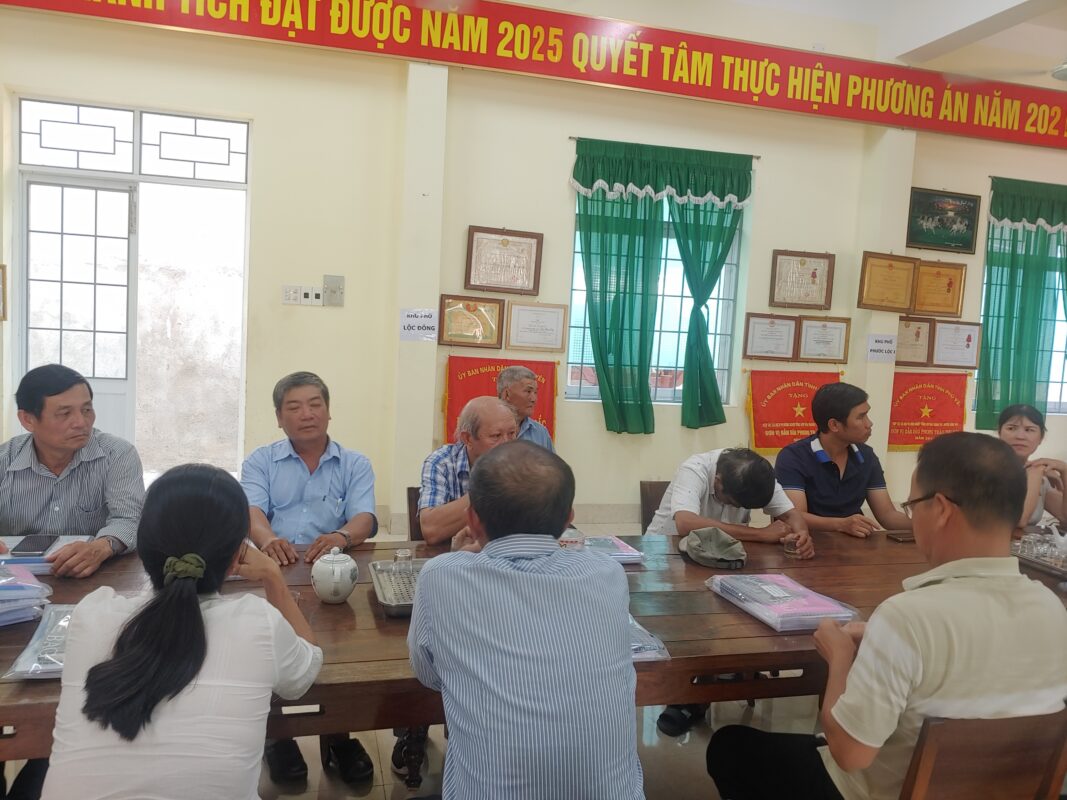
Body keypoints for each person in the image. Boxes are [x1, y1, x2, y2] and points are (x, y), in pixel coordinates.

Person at [707, 432, 1067, 800]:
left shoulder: (908, 617)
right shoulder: (1052, 608)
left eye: (912, 505)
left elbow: (850, 754)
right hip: (1003, 790)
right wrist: (883, 637)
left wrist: (840, 657)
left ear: (941, 509)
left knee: (730, 747)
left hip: (882, 791)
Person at [40, 464, 322, 800]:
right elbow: (305, 670)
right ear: (237, 555)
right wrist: (273, 576)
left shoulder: (91, 615)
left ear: (143, 549)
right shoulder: (257, 622)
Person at [408, 440, 645, 800]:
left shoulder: (441, 575)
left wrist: (461, 560)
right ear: (568, 519)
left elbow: (429, 675)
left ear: (472, 519)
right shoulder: (607, 572)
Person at [240, 371, 377, 784]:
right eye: (295, 407)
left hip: (332, 569)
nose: (307, 414)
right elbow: (251, 512)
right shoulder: (260, 460)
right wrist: (268, 540)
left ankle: (338, 735)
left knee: (340, 652)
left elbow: (365, 517)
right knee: (269, 650)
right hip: (273, 567)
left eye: (316, 404)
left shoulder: (355, 463)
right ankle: (279, 738)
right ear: (279, 417)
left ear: (329, 411)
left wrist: (341, 536)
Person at [646, 447, 815, 736]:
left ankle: (725, 676)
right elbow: (686, 523)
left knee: (753, 610)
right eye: (733, 503)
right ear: (718, 481)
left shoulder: (756, 474)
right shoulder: (696, 469)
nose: (737, 509)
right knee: (694, 621)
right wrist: (761, 534)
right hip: (668, 559)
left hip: (723, 557)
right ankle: (688, 695)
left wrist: (802, 535)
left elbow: (792, 515)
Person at [0, 364, 145, 576]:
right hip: (14, 579)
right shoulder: (4, 460)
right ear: (28, 419)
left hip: (94, 576)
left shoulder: (117, 455)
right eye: (64, 413)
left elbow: (129, 519)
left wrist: (100, 547)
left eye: (86, 410)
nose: (80, 422)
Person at [775, 383, 911, 537]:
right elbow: (794, 517)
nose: (869, 424)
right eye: (861, 417)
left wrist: (925, 522)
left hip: (854, 544)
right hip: (809, 544)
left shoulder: (866, 455)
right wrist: (841, 524)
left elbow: (887, 515)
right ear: (834, 425)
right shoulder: (793, 457)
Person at [417, 396, 518, 545]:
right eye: (496, 436)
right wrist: (490, 486)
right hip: (453, 555)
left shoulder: (523, 462)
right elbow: (431, 529)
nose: (507, 444)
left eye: (512, 433)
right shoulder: (442, 462)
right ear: (468, 438)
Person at [996, 404, 1067, 528]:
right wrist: (1036, 472)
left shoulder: (1041, 476)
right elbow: (1018, 521)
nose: (1020, 436)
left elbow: (1065, 517)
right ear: (999, 433)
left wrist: (1065, 470)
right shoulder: (986, 470)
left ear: (1041, 438)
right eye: (1011, 428)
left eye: (1029, 430)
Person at [496, 365, 554, 451]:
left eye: (535, 392)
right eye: (528, 391)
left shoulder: (540, 432)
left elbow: (550, 460)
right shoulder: (486, 428)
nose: (534, 399)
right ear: (507, 394)